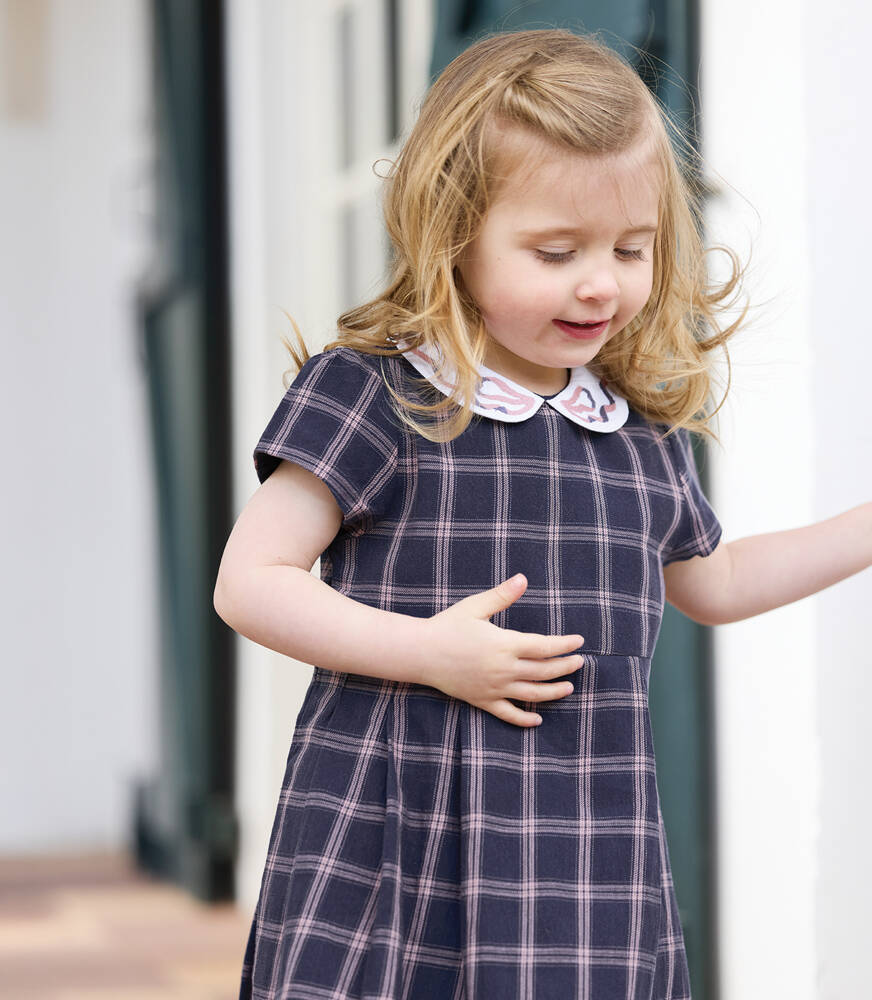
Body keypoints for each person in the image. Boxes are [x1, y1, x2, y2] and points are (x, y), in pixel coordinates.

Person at [214, 29, 872, 1000]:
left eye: (631, 248)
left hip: (579, 862)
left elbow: (717, 581)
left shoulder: (636, 431)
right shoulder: (377, 396)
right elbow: (249, 582)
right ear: (453, 231)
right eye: (555, 251)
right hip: (401, 841)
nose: (601, 281)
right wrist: (427, 650)